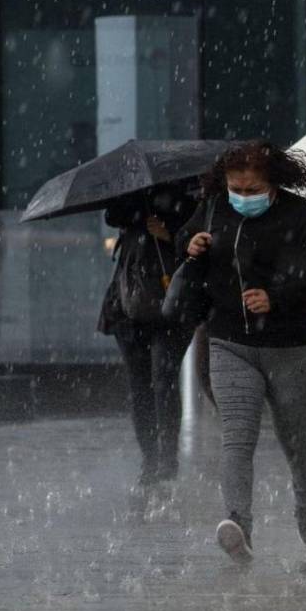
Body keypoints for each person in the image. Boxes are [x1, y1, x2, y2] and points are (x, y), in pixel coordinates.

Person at [177, 141, 306, 562]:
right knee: (237, 438)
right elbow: (183, 239)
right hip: (229, 342)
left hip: (289, 346)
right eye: (236, 188)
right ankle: (239, 525)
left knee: (294, 437)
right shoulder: (213, 207)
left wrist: (276, 297)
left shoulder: (301, 216)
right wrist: (191, 244)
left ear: (273, 183)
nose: (243, 196)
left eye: (252, 188)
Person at [98, 183, 196, 488]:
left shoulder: (188, 200)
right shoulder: (129, 198)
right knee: (140, 384)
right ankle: (150, 459)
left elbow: (202, 243)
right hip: (129, 306)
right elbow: (112, 216)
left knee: (164, 378)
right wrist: (140, 205)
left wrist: (169, 233)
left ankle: (167, 459)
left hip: (171, 306)